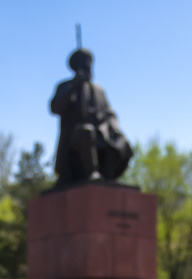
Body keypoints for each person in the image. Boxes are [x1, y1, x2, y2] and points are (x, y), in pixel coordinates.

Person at [50, 48, 132, 184]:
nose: (88, 65)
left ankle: (108, 175)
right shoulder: (65, 86)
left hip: (101, 134)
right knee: (86, 131)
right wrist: (73, 87)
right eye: (84, 62)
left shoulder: (99, 91)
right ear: (76, 66)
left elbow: (110, 114)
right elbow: (54, 108)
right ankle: (92, 173)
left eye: (89, 62)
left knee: (122, 143)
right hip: (74, 139)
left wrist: (115, 128)